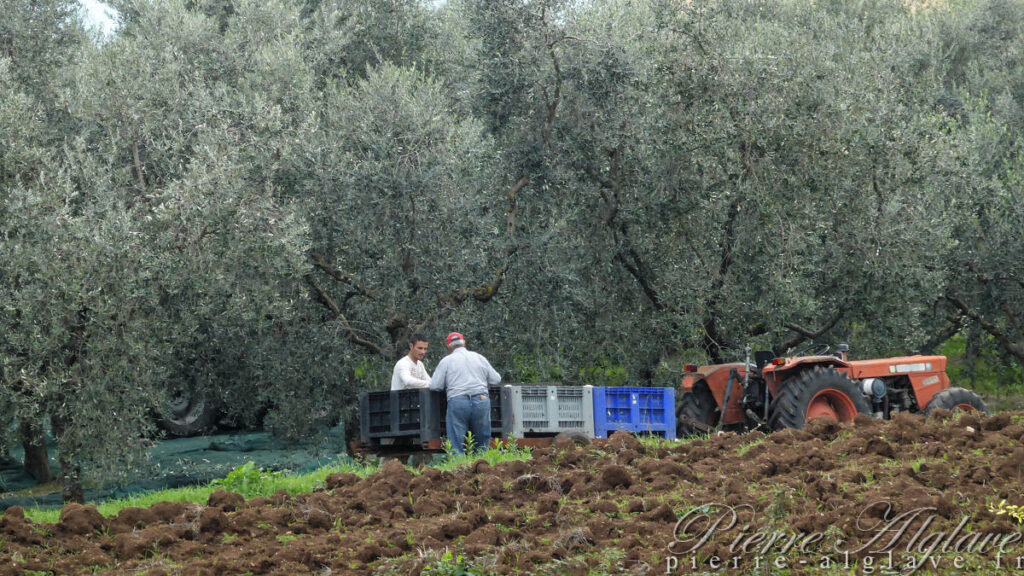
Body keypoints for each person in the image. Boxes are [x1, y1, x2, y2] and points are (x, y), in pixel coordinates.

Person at [429, 332, 501, 453]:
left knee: (456, 443)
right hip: (481, 400)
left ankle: (459, 467)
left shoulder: (447, 361)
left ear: (449, 346)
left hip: (458, 401)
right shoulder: (479, 357)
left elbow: (435, 385)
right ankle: (483, 466)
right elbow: (496, 379)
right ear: (464, 343)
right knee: (482, 440)